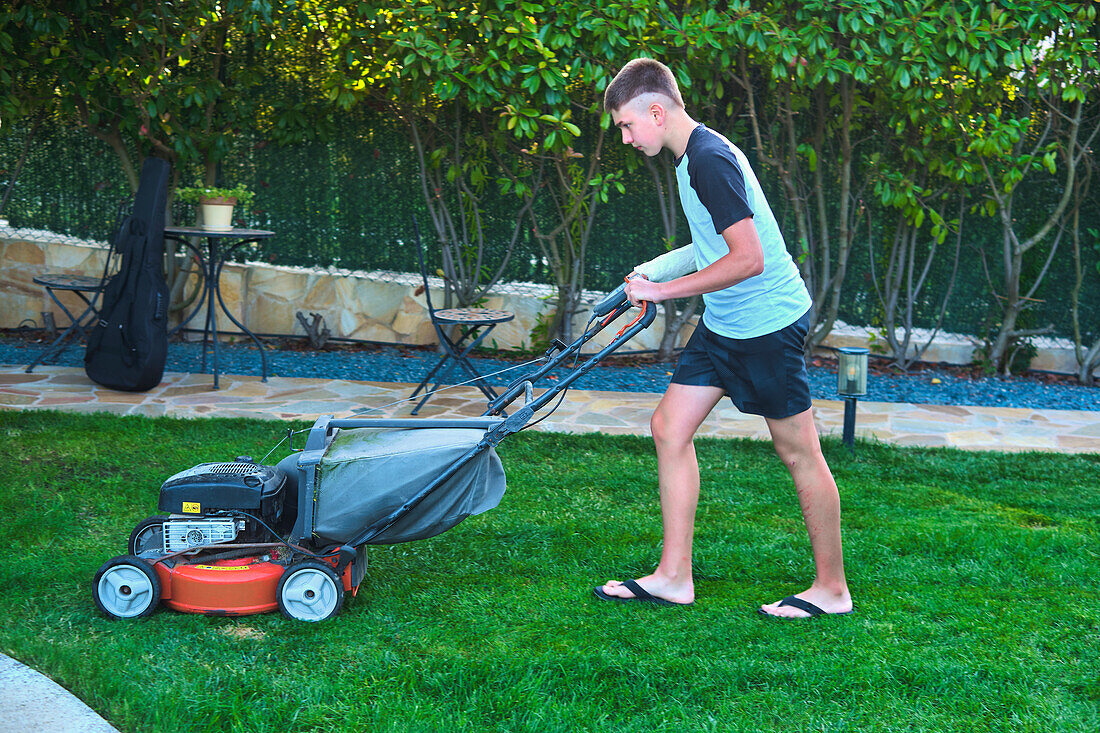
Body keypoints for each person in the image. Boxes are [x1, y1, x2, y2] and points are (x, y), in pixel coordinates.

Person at [593, 58, 852, 618]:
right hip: (725, 323)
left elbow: (749, 259)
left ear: (656, 112)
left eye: (627, 125)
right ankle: (673, 576)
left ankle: (832, 589)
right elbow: (710, 248)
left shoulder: (709, 161)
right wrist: (652, 272)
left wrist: (664, 295)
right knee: (669, 427)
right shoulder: (692, 161)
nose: (627, 137)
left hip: (766, 325)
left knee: (797, 449)